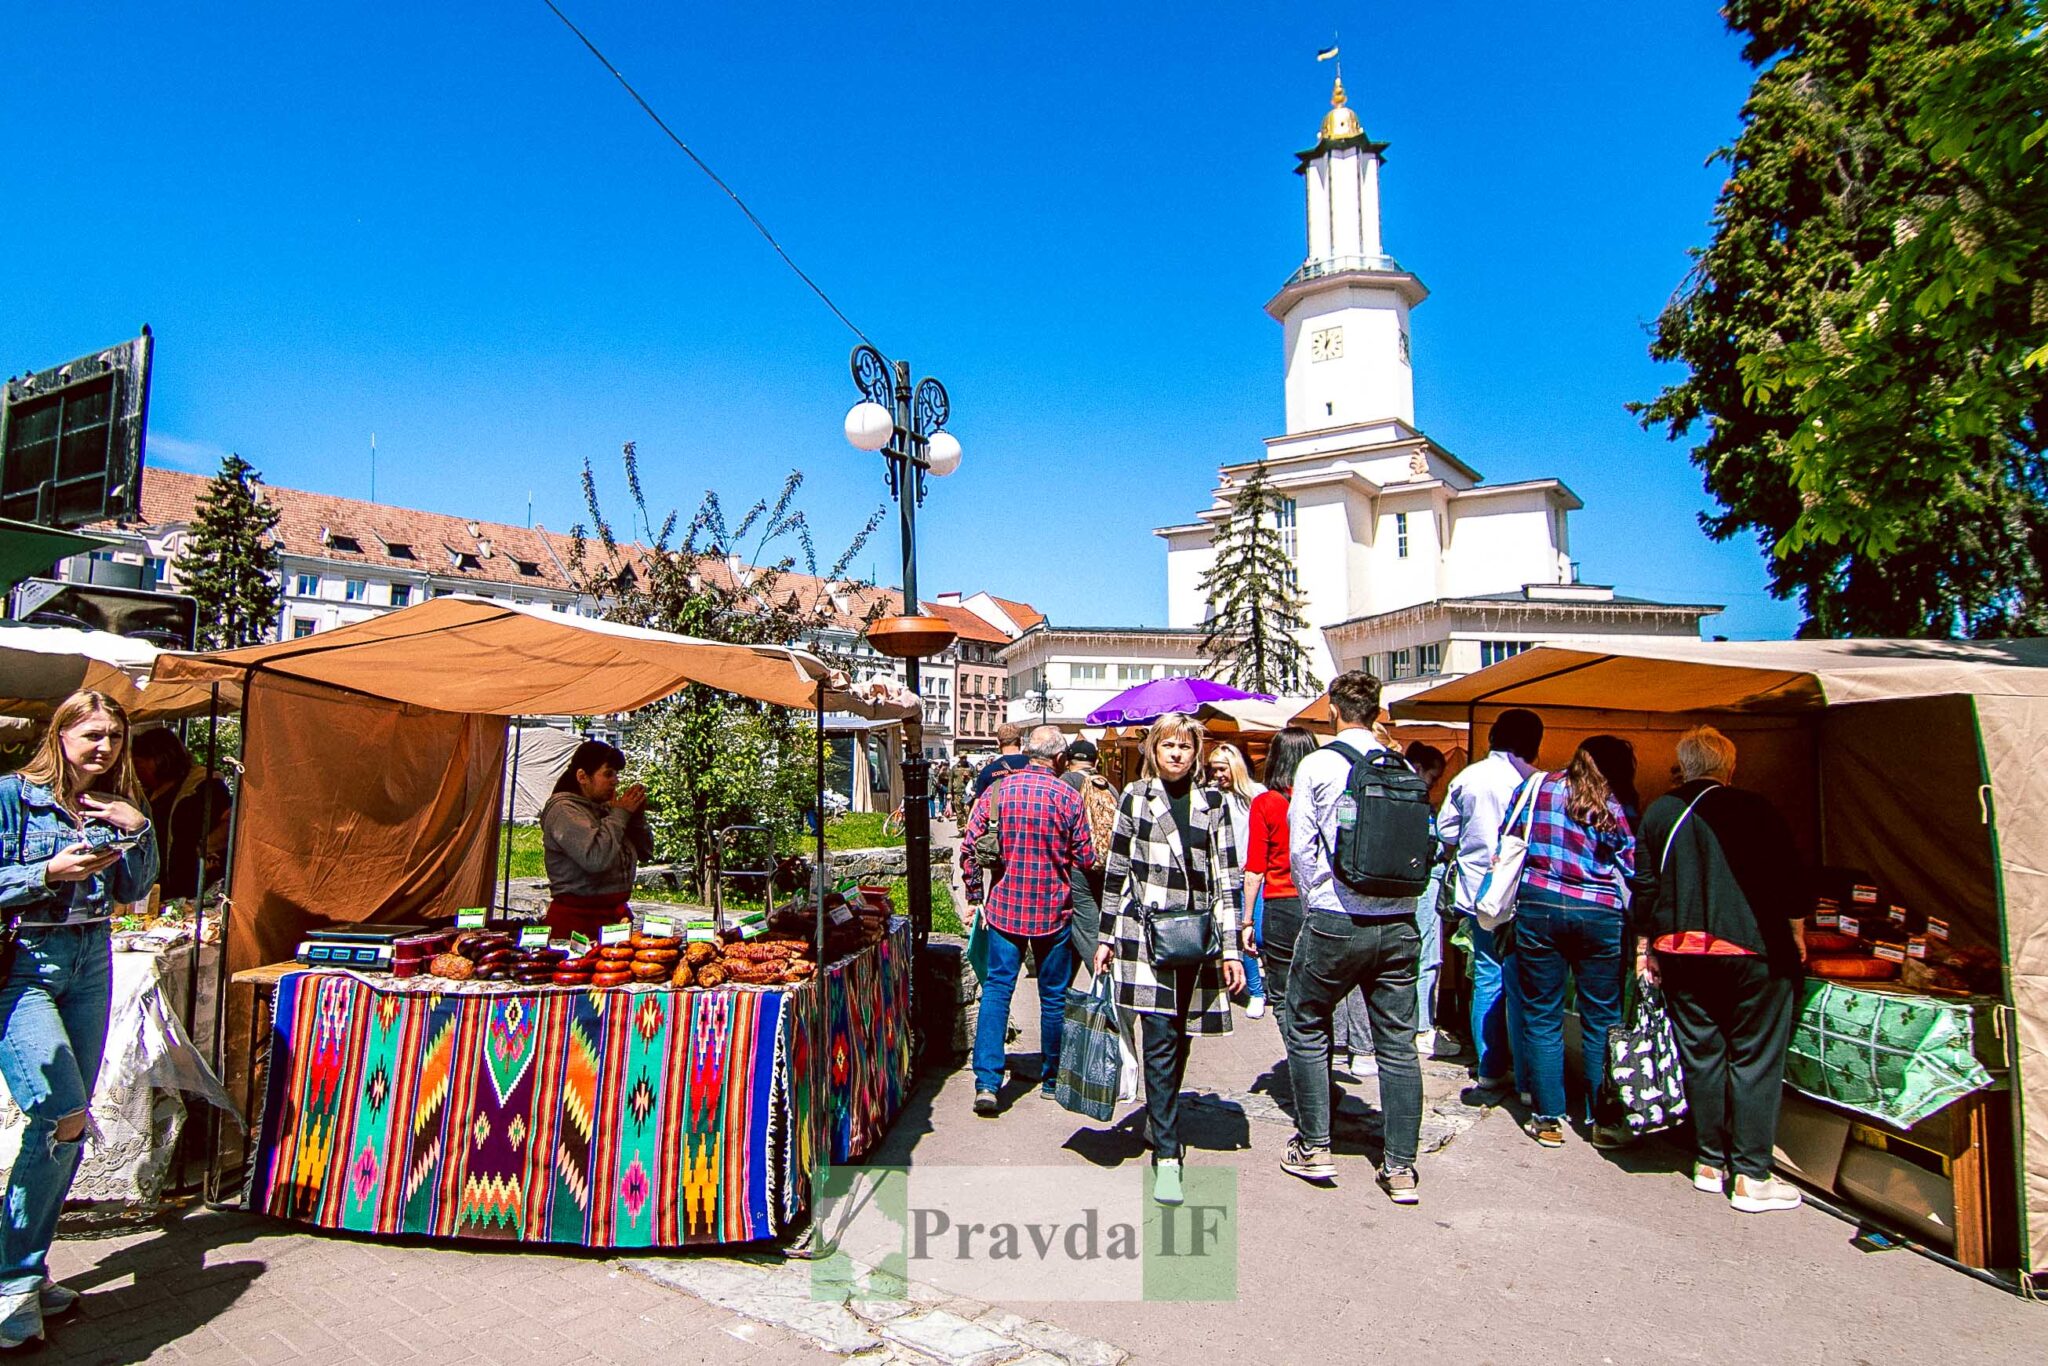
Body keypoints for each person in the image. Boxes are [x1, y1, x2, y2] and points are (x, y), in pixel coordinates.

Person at [0, 691, 160, 1348]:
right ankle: (12, 1278)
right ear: (61, 734)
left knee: (72, 1124)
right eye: (92, 735)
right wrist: (47, 870)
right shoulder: (12, 796)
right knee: (58, 1111)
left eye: (115, 739)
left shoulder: (110, 805)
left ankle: (26, 1270)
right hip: (22, 963)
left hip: (94, 957)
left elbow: (132, 892)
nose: (104, 749)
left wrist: (138, 830)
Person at [1632, 726, 1810, 1214]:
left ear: (1683, 765)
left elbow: (1644, 885)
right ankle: (1752, 1175)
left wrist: (1645, 947)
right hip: (1752, 950)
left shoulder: (1660, 811)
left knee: (1702, 1053)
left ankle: (1710, 1162)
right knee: (1754, 1058)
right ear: (1729, 767)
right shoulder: (1756, 808)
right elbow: (1790, 877)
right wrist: (1796, 932)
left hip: (1679, 949)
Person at [1278, 671, 1426, 1205]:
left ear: (1335, 711)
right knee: (1397, 1043)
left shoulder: (1318, 764)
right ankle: (1401, 1166)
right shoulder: (1401, 764)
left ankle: (1315, 1145)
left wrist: (1315, 895)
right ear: (1377, 710)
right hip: (1399, 919)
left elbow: (1301, 847)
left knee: (1307, 1021)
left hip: (1337, 916)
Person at [1094, 713, 1244, 1207]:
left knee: (1180, 1036)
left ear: (1196, 752)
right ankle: (1167, 1153)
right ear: (1153, 751)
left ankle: (1161, 1118)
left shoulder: (1215, 801)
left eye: (1185, 746)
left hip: (1196, 938)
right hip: (1145, 936)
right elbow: (1116, 869)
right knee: (1159, 1036)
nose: (1177, 754)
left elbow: (1227, 876)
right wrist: (1105, 935)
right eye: (1168, 746)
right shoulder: (1137, 798)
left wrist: (1232, 948)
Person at [959, 725, 1094, 1116]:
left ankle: (987, 1081)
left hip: (1004, 909)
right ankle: (1051, 1078)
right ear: (1058, 759)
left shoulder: (996, 792)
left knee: (998, 990)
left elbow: (969, 849)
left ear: (1028, 753)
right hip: (1053, 909)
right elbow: (1085, 857)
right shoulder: (1068, 797)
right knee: (1053, 997)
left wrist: (974, 896)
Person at [1509, 740, 1637, 1149]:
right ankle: (1605, 1119)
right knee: (1603, 1016)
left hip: (1540, 904)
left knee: (1542, 1013)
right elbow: (1632, 865)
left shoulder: (1539, 787)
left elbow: (1510, 836)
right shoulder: (1616, 805)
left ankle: (1548, 1119)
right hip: (1600, 913)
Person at [1437, 707, 1545, 1100]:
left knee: (1486, 975)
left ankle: (1489, 1066)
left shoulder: (1468, 777)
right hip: (1521, 895)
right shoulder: (1536, 782)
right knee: (1521, 983)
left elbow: (1445, 829)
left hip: (1477, 894)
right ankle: (1528, 1076)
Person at [1241, 728, 1318, 1032]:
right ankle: (1319, 1061)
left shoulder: (1266, 803)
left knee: (1284, 995)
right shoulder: (1323, 798)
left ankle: (1301, 1063)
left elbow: (1255, 868)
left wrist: (1247, 920)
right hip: (1320, 901)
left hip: (1280, 903)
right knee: (1317, 993)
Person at [538, 740, 653, 939]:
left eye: (616, 774)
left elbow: (646, 853)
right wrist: (620, 815)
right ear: (582, 776)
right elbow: (595, 858)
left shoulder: (606, 810)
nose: (615, 781)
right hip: (577, 922)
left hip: (614, 918)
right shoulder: (563, 811)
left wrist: (635, 819)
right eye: (608, 774)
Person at [129, 727, 233, 901]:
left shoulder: (205, 787)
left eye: (139, 764)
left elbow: (230, 824)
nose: (136, 772)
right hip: (155, 889)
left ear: (160, 758)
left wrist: (203, 848)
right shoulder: (147, 793)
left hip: (193, 888)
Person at [1204, 743, 1268, 1019]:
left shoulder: (1258, 795)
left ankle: (1259, 988)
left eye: (1221, 769)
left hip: (1255, 874)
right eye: (1213, 769)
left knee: (1256, 933)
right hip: (1225, 876)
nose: (1217, 775)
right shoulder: (1211, 797)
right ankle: (1255, 991)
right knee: (1239, 936)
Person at [1403, 741, 1458, 1060]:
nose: (1434, 784)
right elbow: (1432, 843)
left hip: (1406, 885)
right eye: (1434, 777)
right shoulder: (1417, 797)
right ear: (1420, 768)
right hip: (1426, 884)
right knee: (1428, 956)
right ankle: (1423, 1027)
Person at [969, 722, 1030, 804]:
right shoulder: (1032, 764)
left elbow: (978, 804)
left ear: (998, 742)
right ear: (1021, 741)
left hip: (999, 815)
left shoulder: (988, 770)